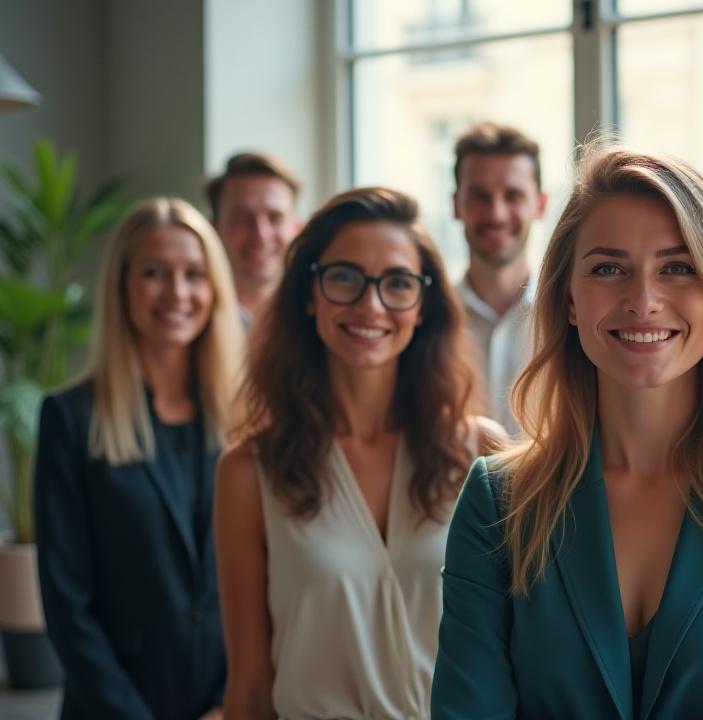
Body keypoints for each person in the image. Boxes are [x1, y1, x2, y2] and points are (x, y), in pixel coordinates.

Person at [432, 144, 703, 719]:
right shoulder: (498, 500)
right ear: (569, 300)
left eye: (678, 268)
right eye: (609, 269)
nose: (644, 301)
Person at [215, 187, 504, 719]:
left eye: (397, 283)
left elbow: (517, 659)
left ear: (423, 306)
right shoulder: (248, 472)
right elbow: (250, 691)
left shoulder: (481, 452)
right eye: (345, 277)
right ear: (310, 294)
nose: (370, 304)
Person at [35, 197, 245, 719]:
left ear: (215, 288)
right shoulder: (70, 418)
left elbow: (270, 582)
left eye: (194, 274)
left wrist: (229, 704)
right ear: (122, 285)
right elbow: (67, 605)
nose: (177, 293)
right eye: (154, 273)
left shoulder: (246, 417)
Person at [452, 122, 549, 435]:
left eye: (513, 195)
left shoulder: (571, 317)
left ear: (541, 205)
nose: (496, 214)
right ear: (456, 205)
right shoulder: (425, 317)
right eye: (479, 196)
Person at [205, 151, 303, 322]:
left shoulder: (320, 319)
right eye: (242, 219)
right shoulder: (187, 320)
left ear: (297, 228)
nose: (261, 235)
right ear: (213, 230)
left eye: (275, 218)